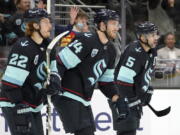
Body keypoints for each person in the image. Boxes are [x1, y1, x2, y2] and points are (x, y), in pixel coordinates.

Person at [51, 9, 129, 135]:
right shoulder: (85, 40)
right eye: (113, 23)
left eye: (117, 24)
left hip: (83, 99)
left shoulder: (111, 51)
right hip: (66, 95)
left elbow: (106, 82)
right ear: (102, 25)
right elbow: (60, 63)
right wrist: (54, 81)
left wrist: (116, 98)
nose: (117, 27)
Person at [0, 8, 61, 135]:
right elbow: (10, 84)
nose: (50, 26)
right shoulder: (23, 47)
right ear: (35, 25)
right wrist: (19, 106)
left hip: (32, 102)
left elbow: (54, 70)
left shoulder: (49, 46)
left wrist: (54, 82)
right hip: (15, 102)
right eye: (46, 22)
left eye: (50, 22)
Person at [110, 22, 159, 135]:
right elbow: (122, 81)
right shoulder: (134, 52)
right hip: (124, 99)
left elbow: (143, 73)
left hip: (132, 98)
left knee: (130, 131)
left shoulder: (152, 51)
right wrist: (133, 100)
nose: (156, 38)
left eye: (156, 34)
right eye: (152, 35)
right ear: (142, 37)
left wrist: (146, 88)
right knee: (126, 132)